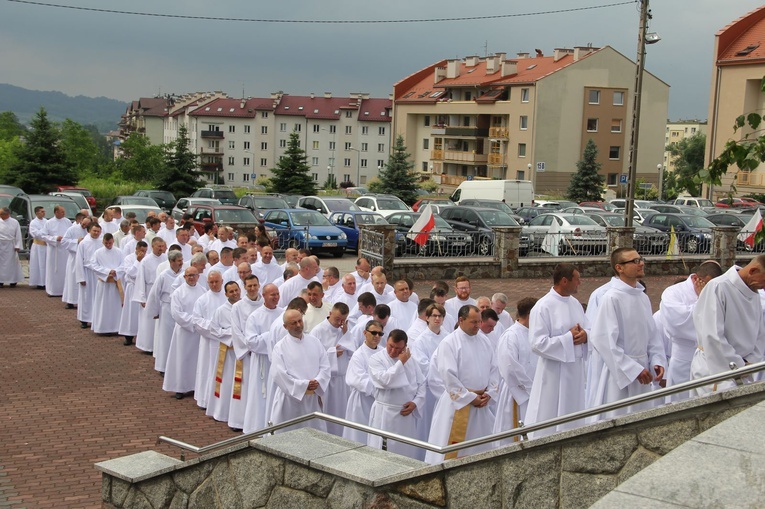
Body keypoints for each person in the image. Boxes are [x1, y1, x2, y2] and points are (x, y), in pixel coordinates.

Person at [588, 249, 666, 419]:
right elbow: (603, 340)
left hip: (643, 370)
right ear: (619, 268)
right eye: (635, 261)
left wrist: (657, 360)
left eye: (640, 259)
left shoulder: (642, 297)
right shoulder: (611, 298)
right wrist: (633, 369)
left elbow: (652, 335)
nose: (641, 264)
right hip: (620, 373)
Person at [425, 305, 499, 464]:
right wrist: (470, 397)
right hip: (458, 405)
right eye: (473, 322)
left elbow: (494, 369)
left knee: (482, 449)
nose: (478, 326)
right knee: (453, 452)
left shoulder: (484, 341)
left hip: (481, 404)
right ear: (461, 320)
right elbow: (448, 375)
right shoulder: (449, 343)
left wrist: (490, 393)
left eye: (479, 321)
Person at [524, 263, 589, 438]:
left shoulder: (575, 304)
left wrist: (585, 336)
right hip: (553, 371)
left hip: (574, 370)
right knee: (550, 412)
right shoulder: (543, 306)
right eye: (577, 279)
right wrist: (568, 338)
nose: (580, 283)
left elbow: (587, 328)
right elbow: (537, 343)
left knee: (573, 413)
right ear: (565, 280)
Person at [692, 255, 765, 393]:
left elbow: (760, 334)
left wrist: (751, 362)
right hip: (717, 367)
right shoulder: (718, 287)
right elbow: (712, 335)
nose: (764, 287)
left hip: (744, 369)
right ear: (753, 271)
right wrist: (738, 365)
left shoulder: (754, 292)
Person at [660, 261, 723, 401]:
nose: (710, 290)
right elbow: (678, 323)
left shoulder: (718, 290)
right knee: (680, 404)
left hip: (709, 360)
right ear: (696, 279)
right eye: (707, 285)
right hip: (683, 360)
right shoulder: (673, 292)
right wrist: (703, 300)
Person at [367, 329, 426, 460]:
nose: (393, 351)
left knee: (405, 451)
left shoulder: (411, 360)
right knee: (384, 453)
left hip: (405, 414)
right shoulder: (376, 359)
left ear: (405, 347)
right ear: (387, 342)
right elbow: (385, 381)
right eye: (390, 346)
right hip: (386, 413)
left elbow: (421, 383)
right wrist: (401, 363)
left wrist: (416, 403)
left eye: (398, 348)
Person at [270, 309, 332, 433]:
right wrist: (303, 385)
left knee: (314, 434)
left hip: (313, 399)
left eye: (300, 321)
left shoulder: (314, 341)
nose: (298, 325)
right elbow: (279, 374)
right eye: (293, 323)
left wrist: (318, 381)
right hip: (291, 401)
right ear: (285, 326)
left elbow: (325, 365)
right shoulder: (280, 347)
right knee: (289, 435)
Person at [493, 297, 538, 445]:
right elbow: (510, 368)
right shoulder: (511, 335)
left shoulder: (535, 333)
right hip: (516, 394)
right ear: (531, 314)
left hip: (535, 392)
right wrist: (531, 389)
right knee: (513, 438)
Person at [242, 283, 283, 433]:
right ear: (264, 296)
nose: (276, 297)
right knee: (260, 395)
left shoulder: (283, 313)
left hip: (278, 361)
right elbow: (251, 342)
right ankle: (257, 427)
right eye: (272, 294)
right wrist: (272, 334)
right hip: (262, 362)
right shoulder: (255, 316)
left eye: (277, 294)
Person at [163, 267, 207, 399]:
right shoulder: (178, 293)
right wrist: (194, 322)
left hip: (199, 332)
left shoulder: (203, 291)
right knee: (182, 358)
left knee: (197, 359)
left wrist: (199, 323)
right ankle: (180, 387)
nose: (191, 278)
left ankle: (195, 386)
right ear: (184, 277)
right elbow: (176, 313)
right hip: (184, 332)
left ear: (198, 276)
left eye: (194, 275)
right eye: (188, 275)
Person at [309, 302, 351, 436]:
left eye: (343, 320)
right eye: (337, 319)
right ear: (330, 313)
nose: (339, 323)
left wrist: (346, 333)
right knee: (329, 412)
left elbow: (352, 353)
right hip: (327, 380)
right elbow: (313, 356)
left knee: (342, 412)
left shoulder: (343, 330)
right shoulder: (318, 330)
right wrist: (331, 353)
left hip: (342, 380)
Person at [203, 281, 241, 424]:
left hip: (242, 354)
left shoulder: (244, 307)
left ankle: (238, 415)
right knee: (226, 383)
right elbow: (214, 329)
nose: (235, 293)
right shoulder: (221, 310)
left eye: (236, 290)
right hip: (228, 353)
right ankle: (223, 412)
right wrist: (232, 335)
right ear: (226, 294)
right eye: (231, 291)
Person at [229, 274, 262, 431]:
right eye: (249, 286)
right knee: (244, 385)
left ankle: (259, 420)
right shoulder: (238, 307)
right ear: (245, 287)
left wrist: (260, 347)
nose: (253, 288)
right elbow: (236, 331)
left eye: (255, 285)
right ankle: (240, 421)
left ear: (259, 285)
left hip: (261, 354)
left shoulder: (265, 304)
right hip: (247, 355)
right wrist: (249, 347)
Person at [343, 320, 384, 444]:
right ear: (365, 333)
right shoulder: (358, 355)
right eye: (374, 333)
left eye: (380, 334)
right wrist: (381, 388)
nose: (377, 336)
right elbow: (359, 379)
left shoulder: (383, 352)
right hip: (362, 401)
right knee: (359, 436)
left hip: (378, 401)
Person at [410, 302, 447, 439]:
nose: (437, 319)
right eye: (434, 316)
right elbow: (423, 365)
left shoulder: (448, 337)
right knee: (429, 424)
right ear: (427, 318)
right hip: (430, 389)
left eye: (440, 316)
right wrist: (443, 370)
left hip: (447, 386)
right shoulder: (421, 341)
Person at [191, 270, 227, 409]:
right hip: (209, 342)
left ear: (222, 281)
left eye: (216, 281)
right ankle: (205, 400)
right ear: (207, 283)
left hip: (225, 342)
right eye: (211, 282)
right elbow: (197, 321)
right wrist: (216, 330)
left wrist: (224, 332)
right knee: (207, 369)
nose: (214, 284)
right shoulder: (202, 300)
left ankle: (221, 401)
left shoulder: (228, 298)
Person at [146, 250, 184, 375]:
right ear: (171, 262)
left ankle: (178, 365)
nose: (181, 263)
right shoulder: (163, 275)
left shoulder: (184, 274)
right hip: (167, 308)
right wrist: (154, 311)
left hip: (180, 309)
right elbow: (154, 294)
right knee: (165, 338)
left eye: (182, 260)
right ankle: (163, 366)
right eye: (179, 261)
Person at [133, 237, 168, 353]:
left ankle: (158, 346)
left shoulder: (165, 259)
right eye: (159, 246)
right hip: (149, 291)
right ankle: (147, 346)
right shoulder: (145, 261)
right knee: (148, 321)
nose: (161, 249)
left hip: (161, 292)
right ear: (153, 246)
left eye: (162, 246)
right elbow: (140, 279)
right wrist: (141, 297)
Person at [90, 233, 125, 334]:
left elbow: (123, 265)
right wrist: (107, 271)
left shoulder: (119, 252)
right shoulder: (98, 253)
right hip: (104, 283)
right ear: (103, 242)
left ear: (113, 241)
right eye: (106, 243)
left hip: (115, 282)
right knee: (103, 306)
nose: (108, 245)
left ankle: (116, 327)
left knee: (115, 305)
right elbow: (94, 265)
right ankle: (103, 328)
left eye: (110, 243)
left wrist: (116, 271)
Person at [118, 241, 147, 346]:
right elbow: (131, 273)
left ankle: (141, 335)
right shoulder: (129, 258)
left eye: (145, 251)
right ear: (136, 249)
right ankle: (129, 335)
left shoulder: (147, 259)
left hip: (143, 288)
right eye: (141, 250)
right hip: (133, 287)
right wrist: (138, 261)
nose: (143, 253)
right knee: (131, 312)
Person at [74, 223, 102, 328]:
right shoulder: (84, 243)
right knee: (86, 297)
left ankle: (96, 318)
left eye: (98, 231)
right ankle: (84, 319)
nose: (96, 233)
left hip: (98, 273)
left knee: (97, 297)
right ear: (89, 231)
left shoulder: (102, 242)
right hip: (87, 272)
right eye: (94, 231)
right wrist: (81, 277)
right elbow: (79, 261)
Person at [41, 205, 72, 297]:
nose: (64, 213)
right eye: (62, 212)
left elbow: (71, 234)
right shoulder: (49, 223)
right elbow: (43, 236)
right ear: (56, 212)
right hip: (54, 250)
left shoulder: (67, 222)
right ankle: (52, 290)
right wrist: (55, 238)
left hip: (65, 250)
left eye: (64, 211)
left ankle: (64, 290)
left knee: (64, 269)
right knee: (53, 270)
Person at [61, 214, 89, 308]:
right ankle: (71, 301)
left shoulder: (90, 231)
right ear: (80, 221)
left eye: (87, 225)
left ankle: (83, 301)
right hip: (74, 257)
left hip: (85, 260)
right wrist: (76, 241)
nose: (84, 226)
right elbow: (64, 242)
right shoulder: (72, 229)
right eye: (83, 224)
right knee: (72, 280)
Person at [0, 207, 23, 287]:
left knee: (12, 264)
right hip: (1, 245)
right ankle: (1, 280)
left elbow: (18, 234)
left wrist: (18, 245)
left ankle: (13, 280)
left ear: (7, 214)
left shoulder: (14, 222)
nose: (0, 216)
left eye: (2, 214)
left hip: (11, 245)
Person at [28, 206, 47, 289]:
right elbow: (35, 233)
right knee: (38, 264)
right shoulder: (33, 223)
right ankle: (39, 282)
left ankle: (45, 281)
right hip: (38, 246)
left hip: (46, 245)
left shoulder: (47, 221)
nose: (44, 213)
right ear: (37, 213)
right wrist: (43, 234)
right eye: (42, 211)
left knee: (45, 264)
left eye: (44, 211)